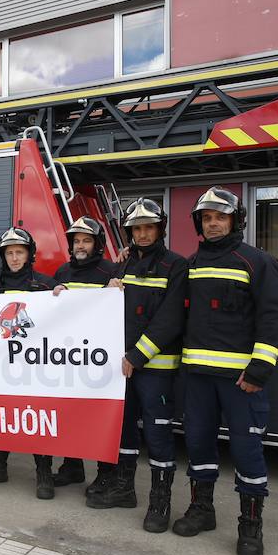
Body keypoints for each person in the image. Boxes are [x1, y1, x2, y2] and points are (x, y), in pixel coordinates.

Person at [172, 187, 278, 555]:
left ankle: (250, 525)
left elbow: (274, 318)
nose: (213, 223)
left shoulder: (257, 261)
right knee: (199, 445)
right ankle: (202, 510)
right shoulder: (190, 264)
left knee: (246, 449)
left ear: (235, 220)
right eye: (207, 218)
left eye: (220, 217)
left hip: (241, 381)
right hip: (198, 378)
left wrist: (259, 369)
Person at [83, 199, 186, 536]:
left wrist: (136, 356)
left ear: (160, 229)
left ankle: (161, 502)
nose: (143, 234)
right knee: (124, 428)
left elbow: (170, 320)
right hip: (123, 367)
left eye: (149, 227)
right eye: (136, 228)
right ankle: (125, 489)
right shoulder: (123, 265)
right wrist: (107, 288)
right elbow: (107, 309)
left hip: (154, 368)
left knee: (157, 434)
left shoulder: (176, 266)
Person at [0, 228, 59, 498]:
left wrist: (63, 296)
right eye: (9, 253)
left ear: (29, 254)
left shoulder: (46, 286)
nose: (14, 258)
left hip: (36, 368)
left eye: (19, 252)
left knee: (36, 419)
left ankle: (44, 474)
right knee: (0, 416)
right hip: (2, 368)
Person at [51, 217, 117, 493]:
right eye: (76, 240)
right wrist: (54, 294)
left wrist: (114, 291)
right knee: (69, 414)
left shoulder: (110, 272)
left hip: (99, 358)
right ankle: (72, 466)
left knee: (100, 418)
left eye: (86, 240)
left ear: (97, 244)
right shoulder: (62, 271)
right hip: (68, 357)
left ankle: (106, 474)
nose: (80, 245)